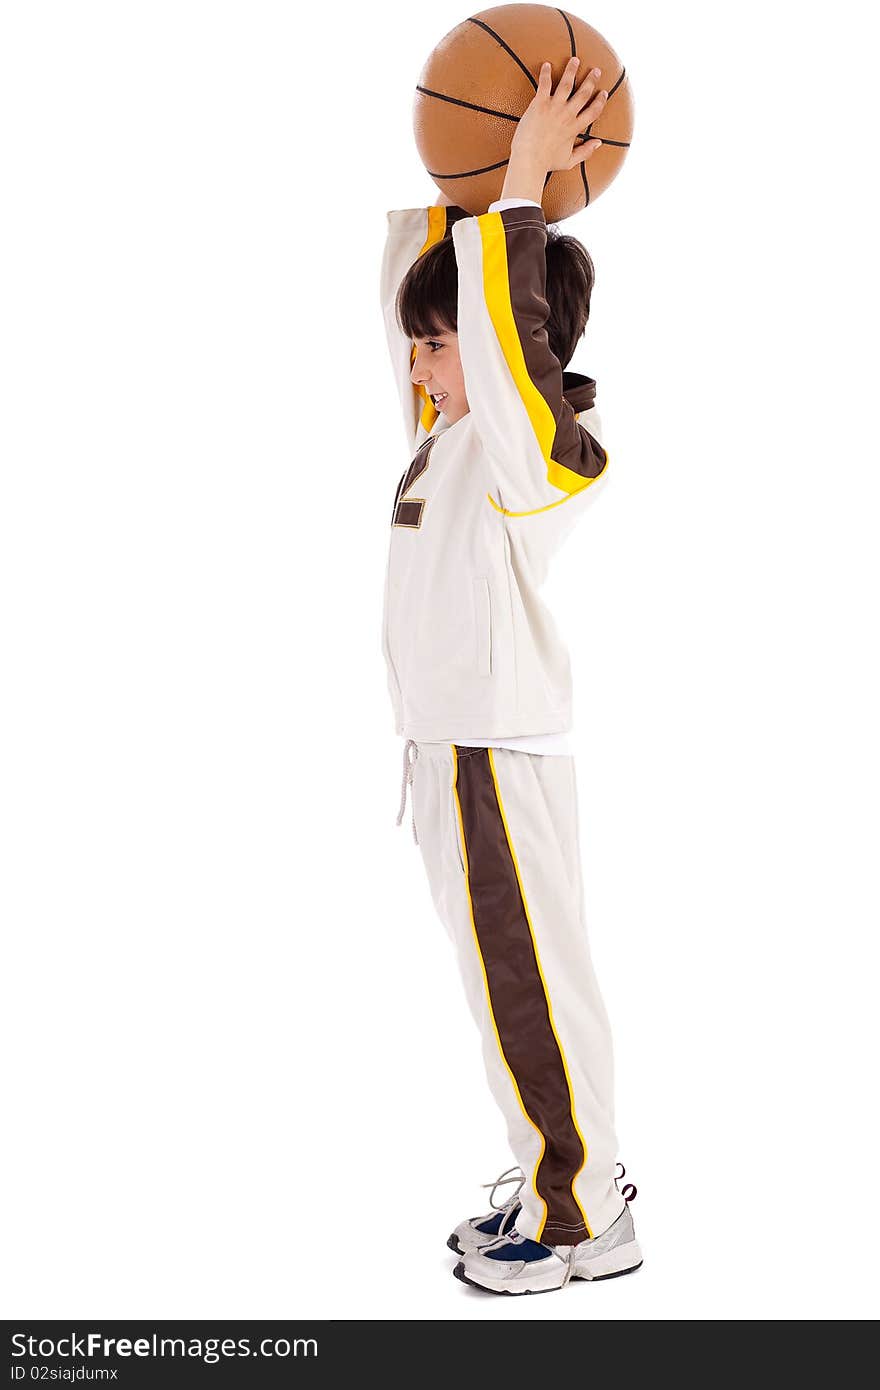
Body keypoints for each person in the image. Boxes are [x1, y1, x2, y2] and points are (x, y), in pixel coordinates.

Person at [379, 57, 642, 1295]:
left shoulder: (536, 452)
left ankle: (577, 1212)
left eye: (434, 350)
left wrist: (524, 186)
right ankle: (568, 1173)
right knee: (518, 994)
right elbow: (446, 315)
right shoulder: (449, 443)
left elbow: (498, 340)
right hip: (452, 752)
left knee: (530, 994)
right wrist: (465, 185)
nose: (419, 370)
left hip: (491, 751)